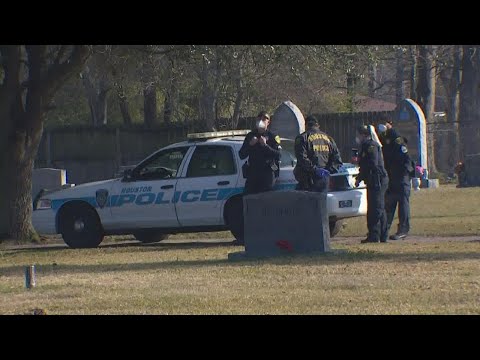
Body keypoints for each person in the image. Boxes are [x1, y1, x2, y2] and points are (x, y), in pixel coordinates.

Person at [377, 115, 414, 240]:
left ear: (389, 123)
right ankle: (384, 230)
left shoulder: (396, 138)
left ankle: (403, 229)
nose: (381, 126)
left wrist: (405, 175)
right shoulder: (383, 138)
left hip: (401, 176)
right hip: (391, 176)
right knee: (389, 204)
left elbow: (406, 158)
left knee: (403, 205)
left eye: (383, 123)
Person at [355, 125, 389, 243]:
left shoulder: (371, 146)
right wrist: (360, 178)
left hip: (377, 180)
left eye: (359, 134)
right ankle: (381, 234)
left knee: (376, 209)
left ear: (364, 135)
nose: (357, 137)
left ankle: (375, 235)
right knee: (378, 207)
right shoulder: (366, 146)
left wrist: (363, 175)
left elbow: (372, 164)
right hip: (374, 179)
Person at [293, 115, 343, 193]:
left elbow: (301, 158)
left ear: (306, 125)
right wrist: (328, 171)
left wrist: (315, 170)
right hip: (324, 179)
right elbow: (337, 160)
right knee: (322, 203)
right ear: (317, 125)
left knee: (307, 203)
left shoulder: (302, 138)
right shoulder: (328, 139)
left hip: (308, 179)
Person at [239, 111, 281, 195]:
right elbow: (241, 155)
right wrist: (250, 145)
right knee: (248, 199)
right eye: (259, 118)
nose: (261, 121)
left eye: (264, 119)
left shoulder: (274, 136)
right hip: (253, 174)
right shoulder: (250, 136)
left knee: (265, 201)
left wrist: (265, 146)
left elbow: (278, 155)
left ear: (268, 122)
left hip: (267, 174)